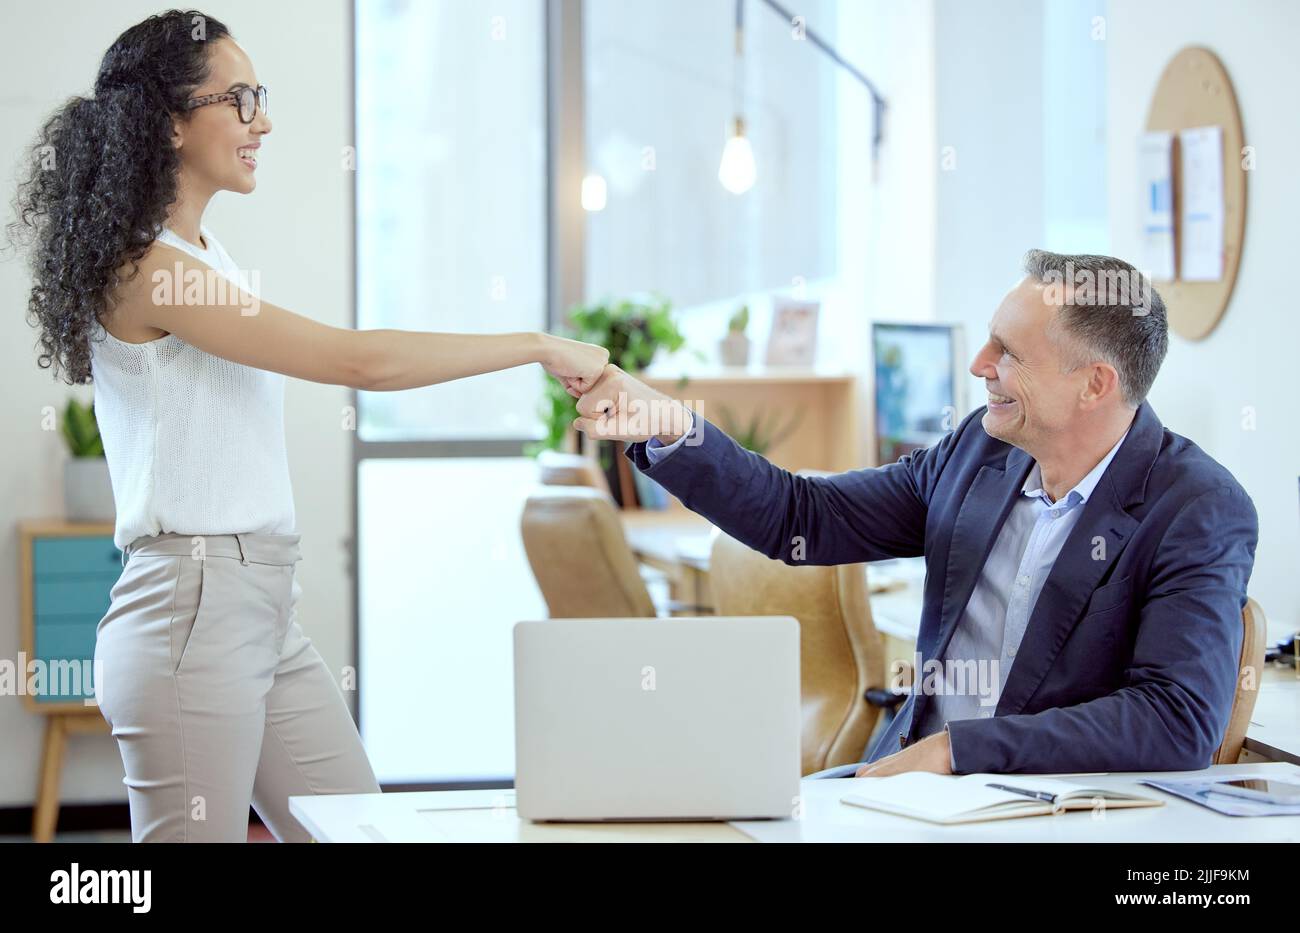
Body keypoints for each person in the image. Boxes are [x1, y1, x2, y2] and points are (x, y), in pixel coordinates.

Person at [10, 9, 607, 841]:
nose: (264, 120)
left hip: (257, 606)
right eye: (241, 97)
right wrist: (536, 344)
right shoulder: (149, 272)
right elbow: (360, 362)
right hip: (192, 611)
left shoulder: (202, 254)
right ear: (173, 122)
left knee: (360, 830)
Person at [573, 250, 1258, 778]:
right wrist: (669, 427)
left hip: (1035, 814)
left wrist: (959, 752)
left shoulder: (1196, 508)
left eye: (1008, 352)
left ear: (1094, 384)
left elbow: (1175, 720)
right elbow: (800, 515)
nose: (980, 365)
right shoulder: (978, 452)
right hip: (902, 785)